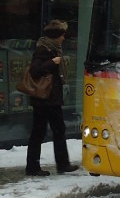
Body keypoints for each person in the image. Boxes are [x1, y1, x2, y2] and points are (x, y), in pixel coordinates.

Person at [25, 19, 80, 177]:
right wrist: (51, 62)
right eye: (62, 35)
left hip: (49, 98)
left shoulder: (53, 48)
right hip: (44, 100)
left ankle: (61, 164)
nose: (64, 38)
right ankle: (34, 167)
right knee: (40, 132)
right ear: (56, 36)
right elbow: (35, 71)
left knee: (56, 130)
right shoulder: (44, 50)